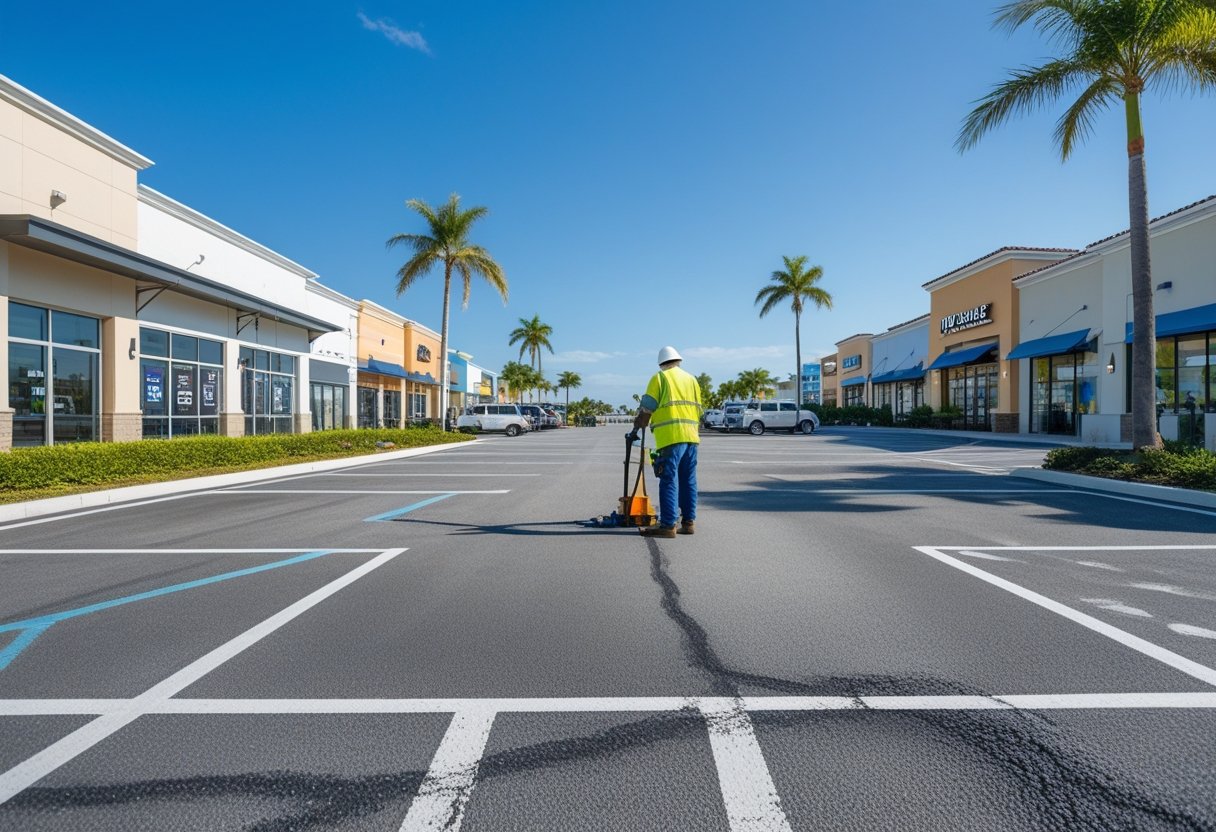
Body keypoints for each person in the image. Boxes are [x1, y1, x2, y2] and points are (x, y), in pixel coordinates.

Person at [628, 346, 703, 539]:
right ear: (678, 360)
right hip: (692, 438)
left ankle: (668, 525)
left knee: (668, 479)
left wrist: (636, 429)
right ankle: (688, 522)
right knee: (688, 480)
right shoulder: (692, 380)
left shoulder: (660, 378)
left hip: (671, 438)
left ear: (661, 363)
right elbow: (699, 410)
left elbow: (647, 409)